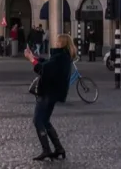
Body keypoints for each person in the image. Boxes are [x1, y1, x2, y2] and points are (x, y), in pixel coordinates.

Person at [25, 33, 72, 161]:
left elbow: (43, 69)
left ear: (61, 43)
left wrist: (31, 59)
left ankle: (46, 150)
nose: (55, 43)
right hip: (53, 94)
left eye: (57, 41)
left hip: (47, 92)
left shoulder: (59, 58)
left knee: (38, 120)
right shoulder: (63, 57)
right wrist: (35, 57)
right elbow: (47, 63)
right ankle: (59, 148)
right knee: (45, 120)